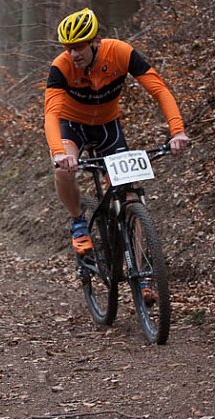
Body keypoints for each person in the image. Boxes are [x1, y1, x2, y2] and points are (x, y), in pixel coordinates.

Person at [45, 8, 189, 303]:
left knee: (131, 198)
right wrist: (60, 153)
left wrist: (177, 131)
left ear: (95, 41)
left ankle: (145, 273)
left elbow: (159, 89)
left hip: (108, 128)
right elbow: (51, 114)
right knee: (63, 171)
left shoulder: (121, 53)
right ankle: (78, 222)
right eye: (68, 48)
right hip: (72, 127)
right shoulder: (61, 67)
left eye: (79, 47)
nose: (73, 54)